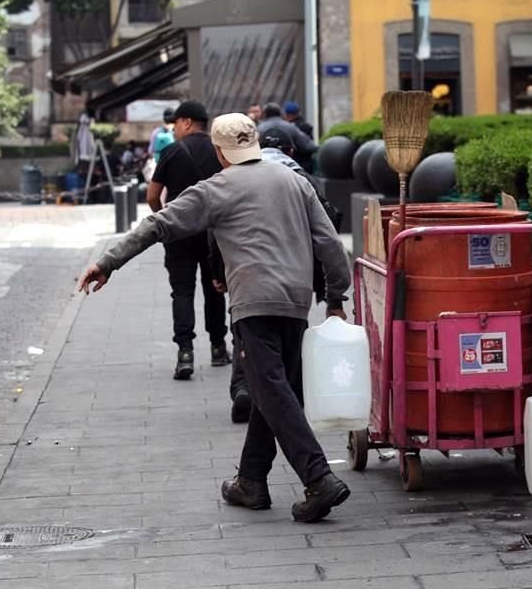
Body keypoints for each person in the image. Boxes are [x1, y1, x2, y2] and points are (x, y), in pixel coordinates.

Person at [77, 112, 352, 523]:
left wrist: (108, 262)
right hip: (295, 303)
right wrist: (335, 297)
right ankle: (251, 481)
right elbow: (330, 242)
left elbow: (158, 224)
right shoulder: (294, 181)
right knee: (270, 391)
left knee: (274, 392)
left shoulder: (217, 188)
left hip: (253, 304)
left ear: (220, 153)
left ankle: (318, 478)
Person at [222, 130, 341, 423]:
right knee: (285, 364)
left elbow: (216, 232)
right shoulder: (300, 179)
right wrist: (333, 294)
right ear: (290, 151)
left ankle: (244, 388)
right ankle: (258, 465)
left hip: (250, 285)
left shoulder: (232, 179)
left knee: (252, 352)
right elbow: (330, 236)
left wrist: (217, 272)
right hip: (296, 283)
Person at [146, 100, 230, 379]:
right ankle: (218, 348)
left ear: (185, 122)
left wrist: (166, 220)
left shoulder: (171, 151)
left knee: (181, 292)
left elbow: (152, 196)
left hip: (179, 233)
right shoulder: (219, 150)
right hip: (212, 234)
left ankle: (185, 353)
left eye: (176, 124)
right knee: (215, 289)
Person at [256, 102, 318, 172]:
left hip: (264, 170)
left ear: (264, 114)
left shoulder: (259, 129)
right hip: (290, 169)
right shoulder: (290, 127)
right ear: (280, 113)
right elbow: (309, 146)